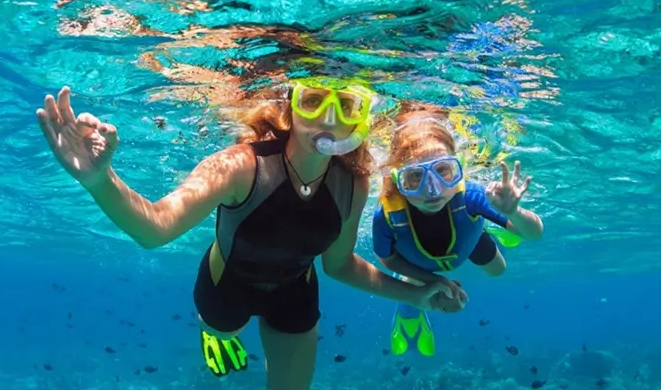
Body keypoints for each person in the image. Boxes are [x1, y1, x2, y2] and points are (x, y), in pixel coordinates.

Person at [37, 79, 460, 388]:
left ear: (361, 121)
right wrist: (98, 179)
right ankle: (214, 332)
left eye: (346, 106)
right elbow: (155, 228)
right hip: (226, 288)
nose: (328, 119)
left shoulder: (354, 183)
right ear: (291, 110)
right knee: (222, 330)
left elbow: (339, 265)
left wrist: (416, 294)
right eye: (313, 101)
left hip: (296, 292)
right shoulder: (241, 165)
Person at [373, 106, 543, 361]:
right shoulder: (386, 215)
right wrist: (432, 281)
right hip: (416, 261)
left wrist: (515, 213)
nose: (432, 191)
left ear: (458, 168)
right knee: (413, 283)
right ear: (398, 180)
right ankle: (409, 310)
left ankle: (500, 223)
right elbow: (387, 259)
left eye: (443, 171)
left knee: (499, 270)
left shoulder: (472, 196)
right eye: (415, 177)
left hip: (468, 241)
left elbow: (534, 233)